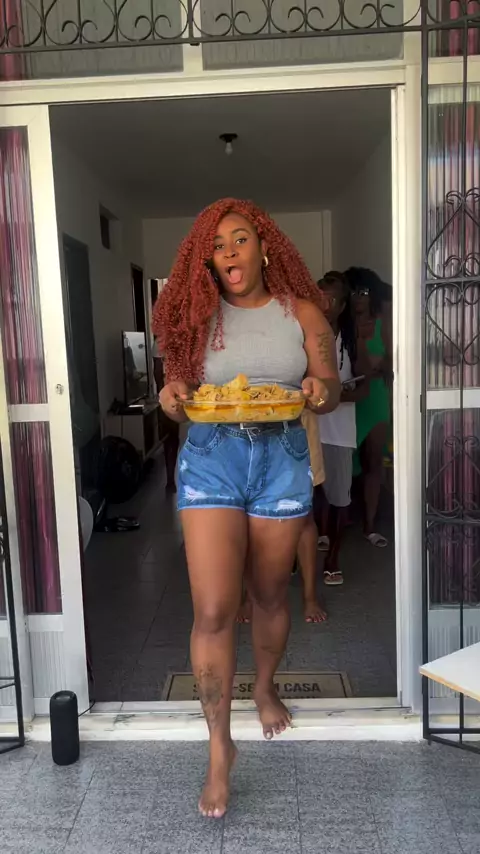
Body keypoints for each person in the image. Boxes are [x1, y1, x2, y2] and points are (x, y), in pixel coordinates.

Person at [153, 198, 340, 819]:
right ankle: (219, 746)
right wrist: (172, 396)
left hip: (282, 454)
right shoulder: (194, 317)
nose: (229, 252)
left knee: (268, 594)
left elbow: (330, 385)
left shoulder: (303, 313)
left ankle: (263, 688)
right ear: (206, 259)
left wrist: (317, 391)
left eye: (240, 239)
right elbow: (175, 390)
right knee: (212, 608)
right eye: (217, 244)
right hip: (212, 455)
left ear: (264, 247)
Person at [315, 272, 370, 585]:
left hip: (338, 430)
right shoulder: (305, 337)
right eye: (320, 297)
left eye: (332, 299)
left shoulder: (352, 340)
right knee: (306, 497)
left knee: (339, 499)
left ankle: (333, 558)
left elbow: (363, 389)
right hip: (309, 429)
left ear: (342, 305)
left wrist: (335, 397)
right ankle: (302, 552)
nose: (324, 305)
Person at [344, 267, 392, 547]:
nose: (358, 297)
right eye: (353, 292)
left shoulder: (382, 322)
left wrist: (378, 365)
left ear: (372, 294)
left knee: (374, 463)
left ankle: (370, 525)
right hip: (347, 403)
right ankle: (341, 520)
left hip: (375, 402)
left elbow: (393, 362)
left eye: (363, 292)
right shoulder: (339, 325)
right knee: (343, 465)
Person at [153, 336, 180, 492]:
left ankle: (170, 479)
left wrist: (162, 393)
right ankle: (170, 479)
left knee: (170, 437)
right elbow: (157, 372)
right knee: (172, 437)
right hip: (174, 394)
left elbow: (157, 372)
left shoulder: (160, 342)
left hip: (171, 394)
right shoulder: (161, 342)